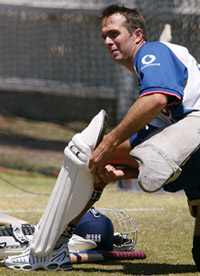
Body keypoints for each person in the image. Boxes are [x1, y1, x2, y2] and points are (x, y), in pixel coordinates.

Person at [4, 4, 200, 271]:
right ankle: (55, 246)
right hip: (194, 154)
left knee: (85, 151)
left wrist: (107, 144)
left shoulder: (152, 52)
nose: (108, 42)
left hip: (195, 133)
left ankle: (46, 249)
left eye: (114, 33)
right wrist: (118, 172)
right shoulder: (161, 81)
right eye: (104, 37)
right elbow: (161, 153)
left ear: (138, 35)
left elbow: (155, 99)